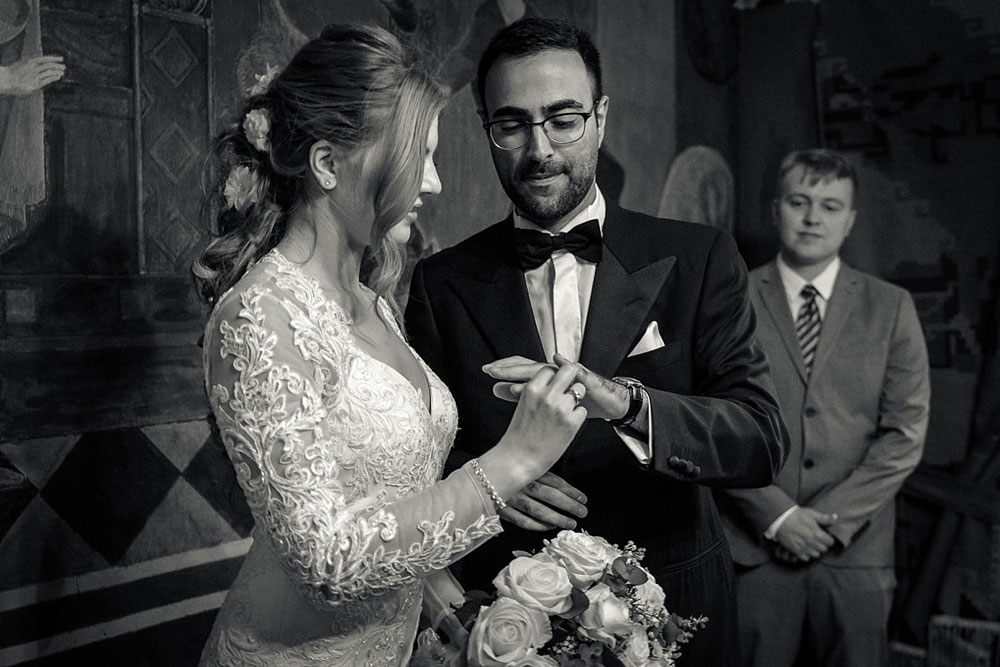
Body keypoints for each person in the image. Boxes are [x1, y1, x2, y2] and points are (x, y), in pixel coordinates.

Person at [192, 24, 587, 667]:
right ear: (327, 164)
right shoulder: (260, 316)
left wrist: (444, 614)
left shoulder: (373, 297)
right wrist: (511, 462)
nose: (432, 184)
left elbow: (392, 503)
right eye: (418, 158)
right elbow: (327, 563)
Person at [405, 17, 789, 665]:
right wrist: (485, 478)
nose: (540, 149)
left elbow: (760, 439)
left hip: (679, 604)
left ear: (601, 117)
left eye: (563, 119)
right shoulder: (439, 283)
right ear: (487, 128)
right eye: (512, 123)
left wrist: (631, 405)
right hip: (510, 617)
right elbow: (417, 451)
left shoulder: (698, 258)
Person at [715, 149, 930, 666]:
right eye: (799, 201)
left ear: (850, 220)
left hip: (856, 555)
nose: (813, 218)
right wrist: (777, 515)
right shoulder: (728, 297)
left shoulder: (891, 306)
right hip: (753, 550)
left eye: (831, 207)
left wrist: (827, 520)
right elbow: (709, 424)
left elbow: (905, 434)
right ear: (775, 210)